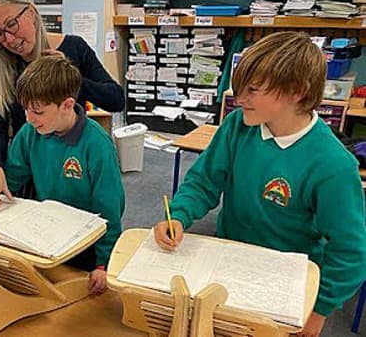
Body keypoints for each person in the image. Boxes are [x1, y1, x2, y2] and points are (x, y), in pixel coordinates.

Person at [152, 31, 366, 337]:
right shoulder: (237, 126)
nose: (240, 99)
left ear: (296, 91)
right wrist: (179, 216)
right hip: (230, 261)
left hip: (288, 284)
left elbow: (350, 252)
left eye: (252, 90)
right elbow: (203, 182)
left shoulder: (333, 165)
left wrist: (318, 311)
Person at [0, 55, 125, 295]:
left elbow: (110, 211)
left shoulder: (97, 145)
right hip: (47, 238)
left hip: (88, 249)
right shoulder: (31, 133)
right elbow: (8, 177)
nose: (29, 119)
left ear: (67, 104)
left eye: (38, 111)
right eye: (26, 110)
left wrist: (104, 264)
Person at [0, 0, 125, 205]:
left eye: (11, 24)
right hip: (29, 169)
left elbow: (115, 99)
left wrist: (68, 77)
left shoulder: (74, 47)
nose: (9, 39)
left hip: (70, 168)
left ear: (30, 12)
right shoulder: (4, 68)